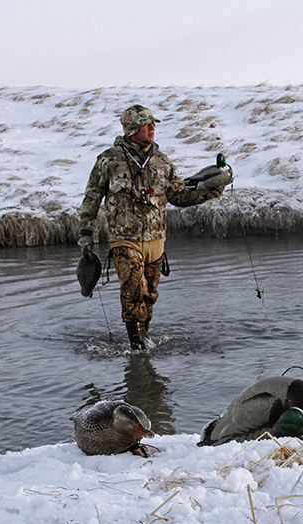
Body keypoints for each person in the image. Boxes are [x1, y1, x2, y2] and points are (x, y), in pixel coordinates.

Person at [79, 104, 232, 350]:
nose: (152, 127)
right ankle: (136, 347)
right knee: (133, 290)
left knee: (149, 296)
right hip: (124, 239)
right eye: (146, 123)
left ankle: (145, 340)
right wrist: (85, 236)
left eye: (152, 123)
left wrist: (212, 189)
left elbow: (179, 197)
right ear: (131, 128)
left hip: (156, 240)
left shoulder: (161, 162)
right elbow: (91, 198)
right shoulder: (108, 160)